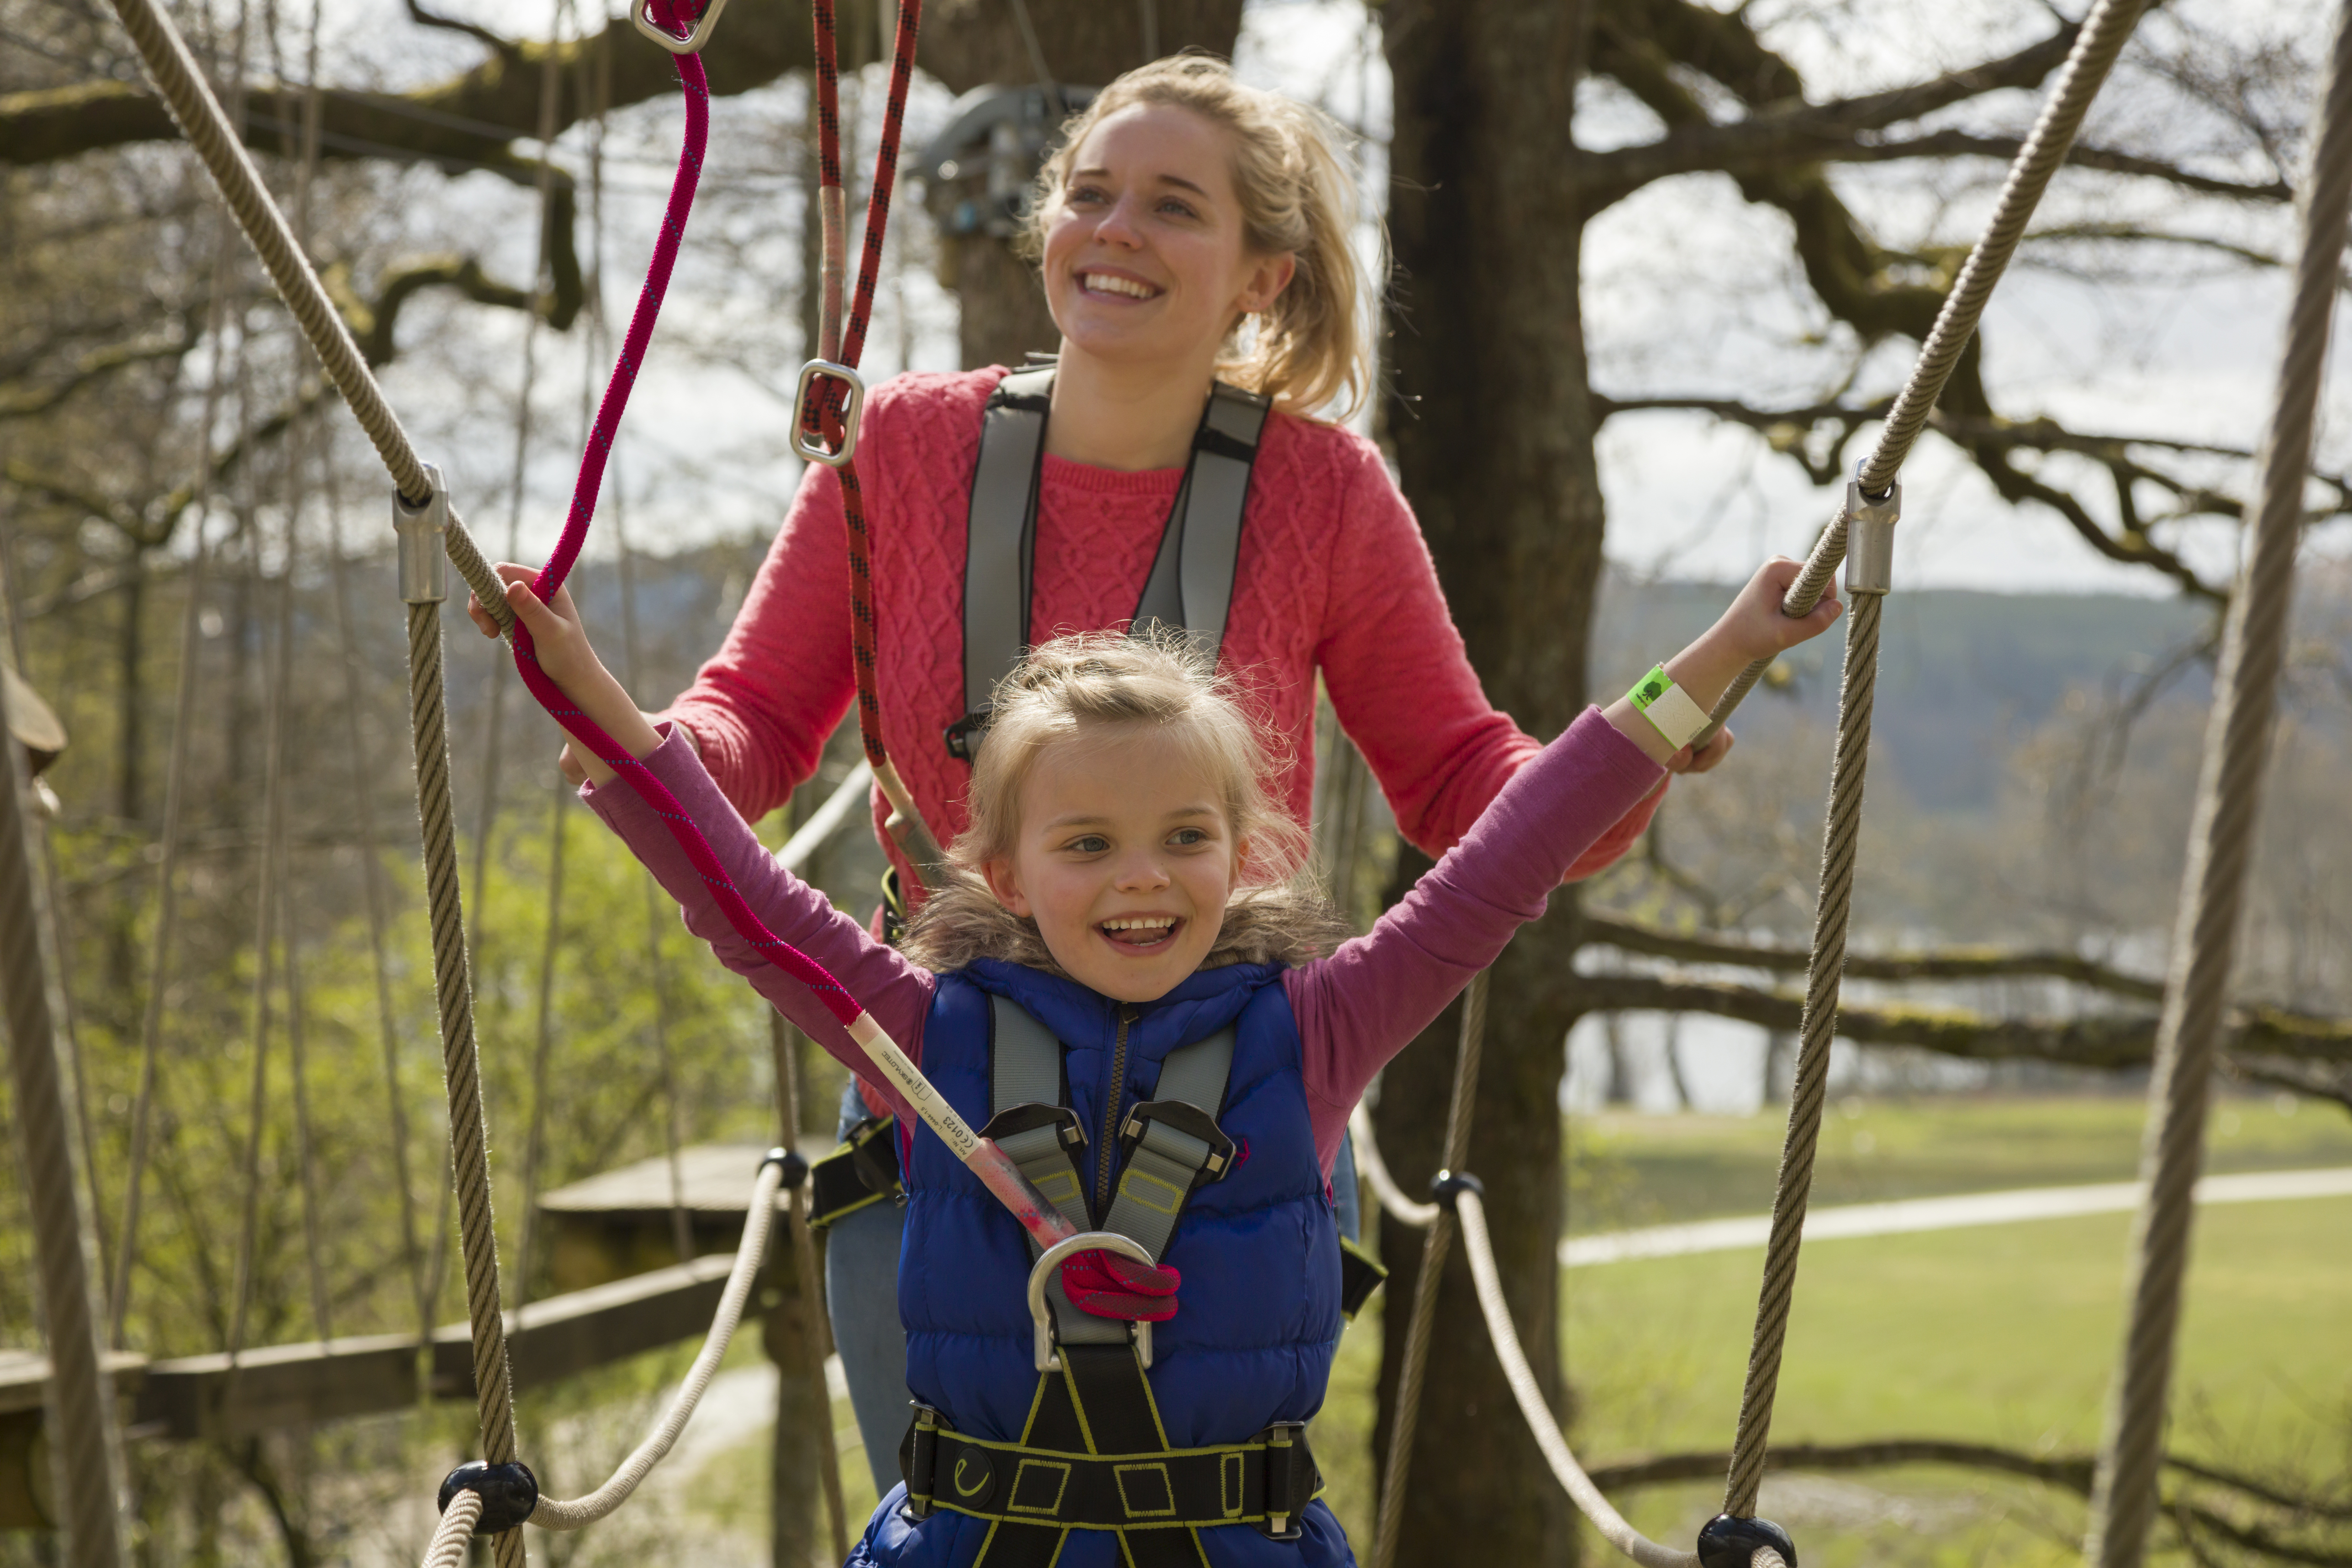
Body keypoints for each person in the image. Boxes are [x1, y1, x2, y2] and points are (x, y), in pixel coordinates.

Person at [540, 55, 1729, 1490]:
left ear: (1263, 276)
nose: (1115, 231)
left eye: (1174, 206)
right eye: (1090, 195)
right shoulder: (899, 450)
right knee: (963, 1510)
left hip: (1234, 1108)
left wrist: (1625, 768)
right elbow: (757, 719)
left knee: (1204, 1520)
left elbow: (1464, 782)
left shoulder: (1326, 495)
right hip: (945, 1085)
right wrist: (646, 749)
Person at [474, 550, 1838, 1566]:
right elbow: (747, 905)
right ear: (1001, 869)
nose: (1145, 879)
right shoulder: (926, 1029)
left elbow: (1511, 857)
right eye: (1088, 845)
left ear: (1241, 852)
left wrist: (1718, 654)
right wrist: (588, 690)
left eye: (1186, 835)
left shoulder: (1314, 1026)